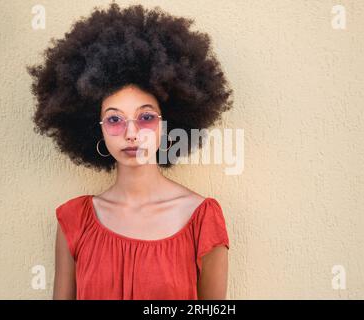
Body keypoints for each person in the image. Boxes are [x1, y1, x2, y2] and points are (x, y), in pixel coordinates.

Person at [27, 2, 233, 300]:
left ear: (168, 124)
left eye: (146, 117)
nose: (131, 133)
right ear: (95, 128)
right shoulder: (75, 221)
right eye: (114, 119)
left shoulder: (202, 220)